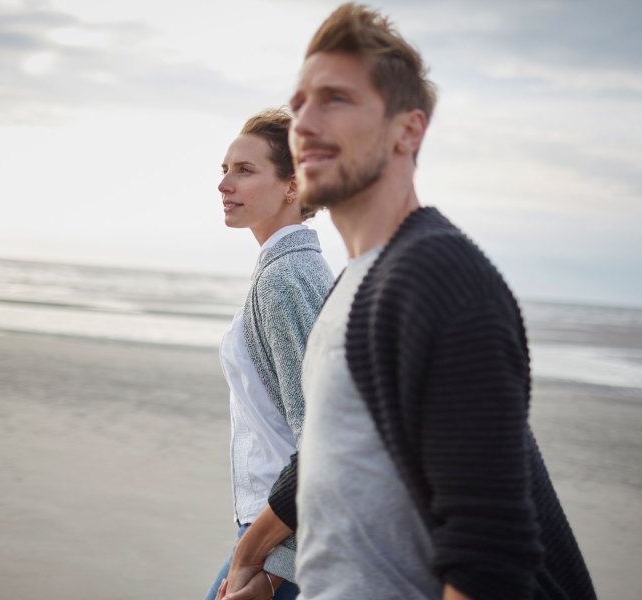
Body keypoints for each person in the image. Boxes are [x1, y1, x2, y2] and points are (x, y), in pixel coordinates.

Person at [221, 4, 596, 599]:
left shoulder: (440, 278)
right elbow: (321, 455)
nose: (307, 122)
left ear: (408, 129)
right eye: (301, 104)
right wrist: (252, 556)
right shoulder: (353, 286)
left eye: (336, 99)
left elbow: (489, 558)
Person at [205, 107, 333, 600]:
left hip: (286, 540)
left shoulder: (285, 280)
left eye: (245, 170)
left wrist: (269, 569)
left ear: (293, 187)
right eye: (224, 170)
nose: (224, 185)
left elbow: (324, 443)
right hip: (280, 533)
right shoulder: (292, 270)